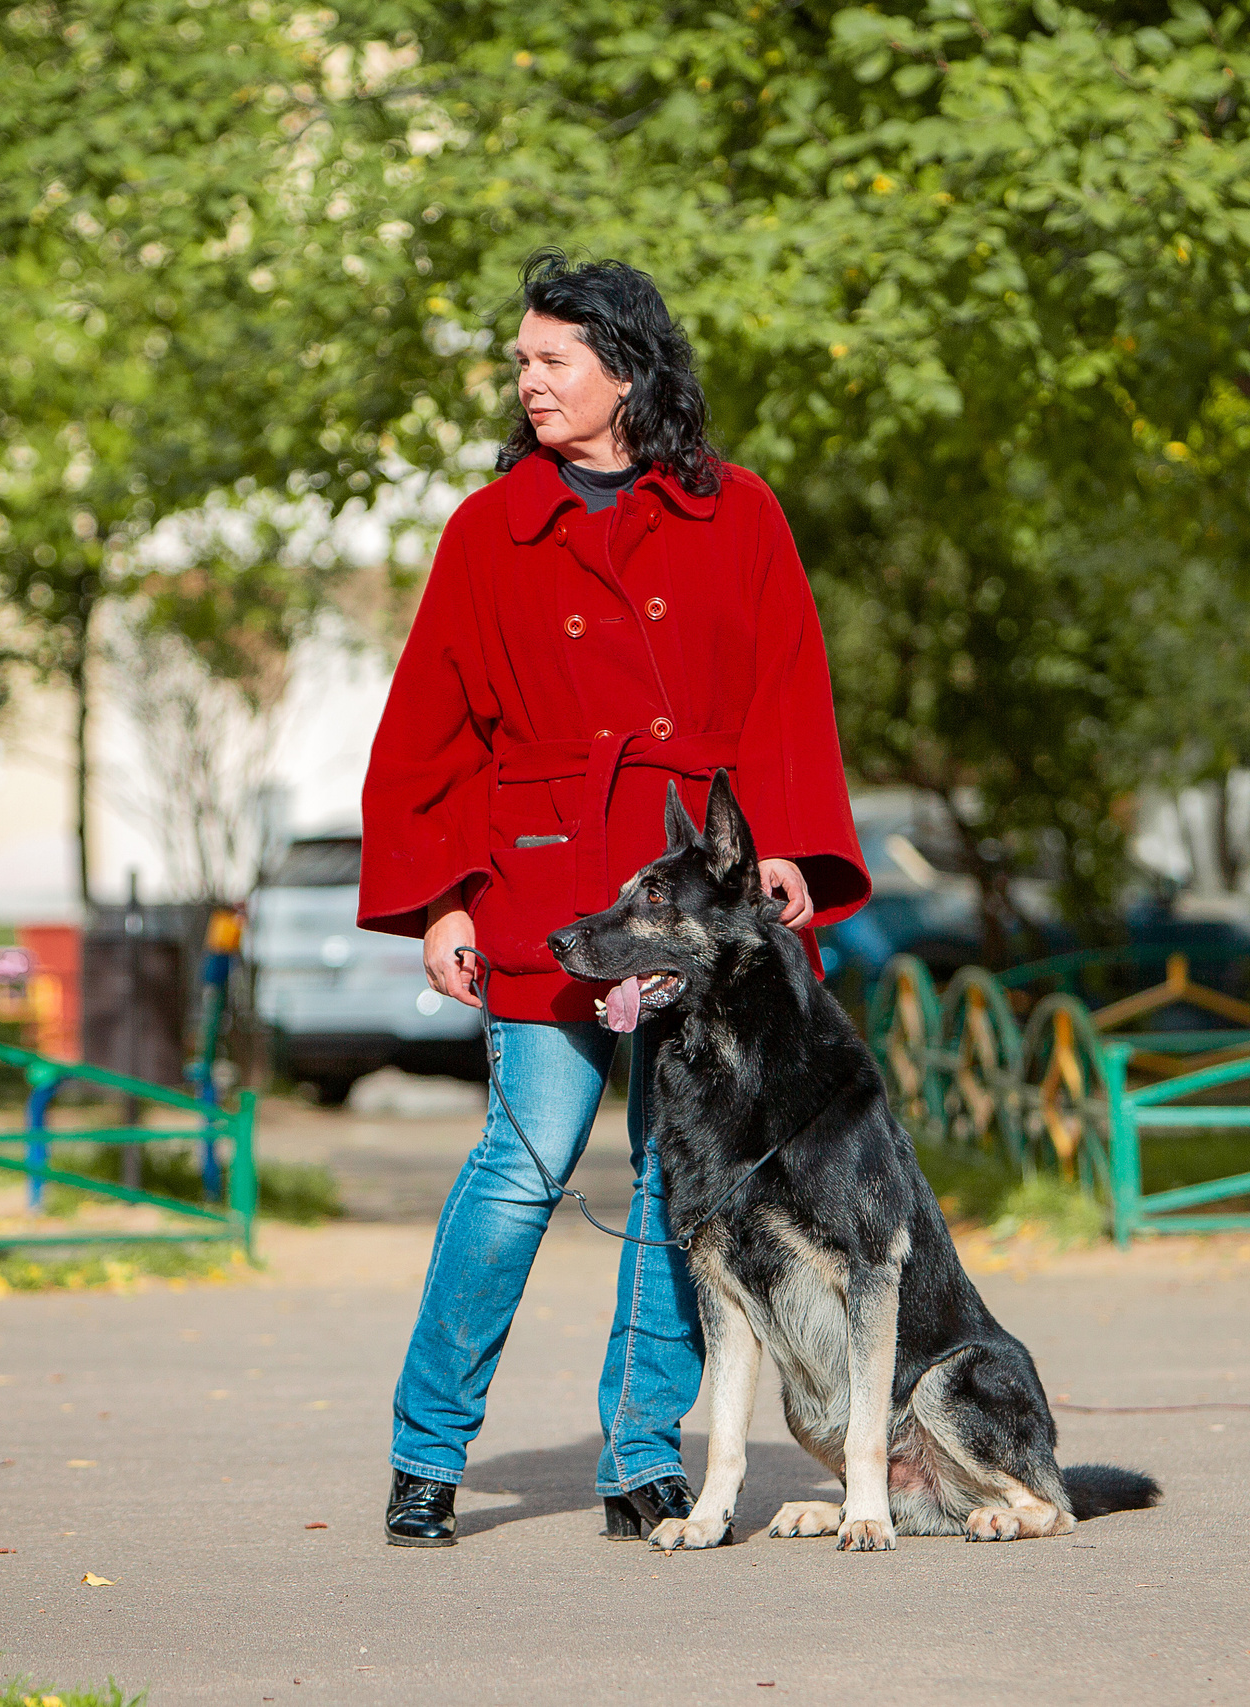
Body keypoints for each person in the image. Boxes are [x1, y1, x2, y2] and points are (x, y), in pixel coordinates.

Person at [358, 250, 870, 1547]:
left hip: (690, 908)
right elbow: (430, 729)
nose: (527, 380)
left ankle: (641, 1455)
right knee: (524, 1166)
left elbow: (785, 691)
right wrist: (443, 903)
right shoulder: (488, 530)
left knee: (672, 1183)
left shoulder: (737, 512)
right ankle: (427, 1457)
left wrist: (792, 850)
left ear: (627, 372)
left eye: (552, 360)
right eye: (521, 361)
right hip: (539, 888)